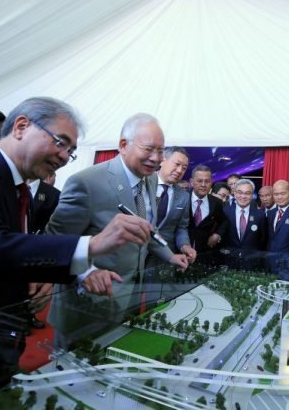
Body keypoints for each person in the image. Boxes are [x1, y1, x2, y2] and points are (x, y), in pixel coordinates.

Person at [0, 97, 147, 405]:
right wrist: (92, 244)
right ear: (21, 126)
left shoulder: (20, 188)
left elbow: (13, 255)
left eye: (71, 152)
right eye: (61, 143)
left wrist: (79, 272)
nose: (64, 157)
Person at [46, 113, 188, 348]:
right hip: (86, 302)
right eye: (149, 149)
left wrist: (169, 255)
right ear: (123, 145)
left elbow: (144, 225)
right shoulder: (87, 182)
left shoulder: (150, 179)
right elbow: (55, 240)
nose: (156, 158)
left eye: (161, 151)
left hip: (129, 297)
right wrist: (87, 272)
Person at [27, 172, 61, 329]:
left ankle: (27, 318)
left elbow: (57, 230)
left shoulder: (54, 195)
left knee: (32, 291)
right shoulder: (1, 185)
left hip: (37, 251)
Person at [154, 146, 196, 262]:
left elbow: (181, 227)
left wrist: (185, 245)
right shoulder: (142, 183)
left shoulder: (184, 196)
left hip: (165, 256)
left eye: (184, 168)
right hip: (134, 252)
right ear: (162, 160)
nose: (179, 171)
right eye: (177, 164)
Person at [222, 178, 267, 270]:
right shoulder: (225, 212)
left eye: (247, 193)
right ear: (234, 193)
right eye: (239, 192)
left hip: (252, 264)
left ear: (252, 195)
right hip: (229, 263)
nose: (243, 196)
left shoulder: (260, 215)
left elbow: (263, 240)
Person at [188, 165, 226, 259]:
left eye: (207, 181)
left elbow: (224, 221)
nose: (203, 185)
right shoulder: (182, 199)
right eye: (200, 181)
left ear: (211, 183)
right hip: (180, 251)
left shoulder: (216, 202)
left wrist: (217, 235)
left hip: (205, 252)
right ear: (192, 182)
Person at [266, 180, 289, 281]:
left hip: (288, 269)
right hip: (270, 267)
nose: (279, 197)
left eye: (283, 193)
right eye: (276, 194)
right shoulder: (271, 214)